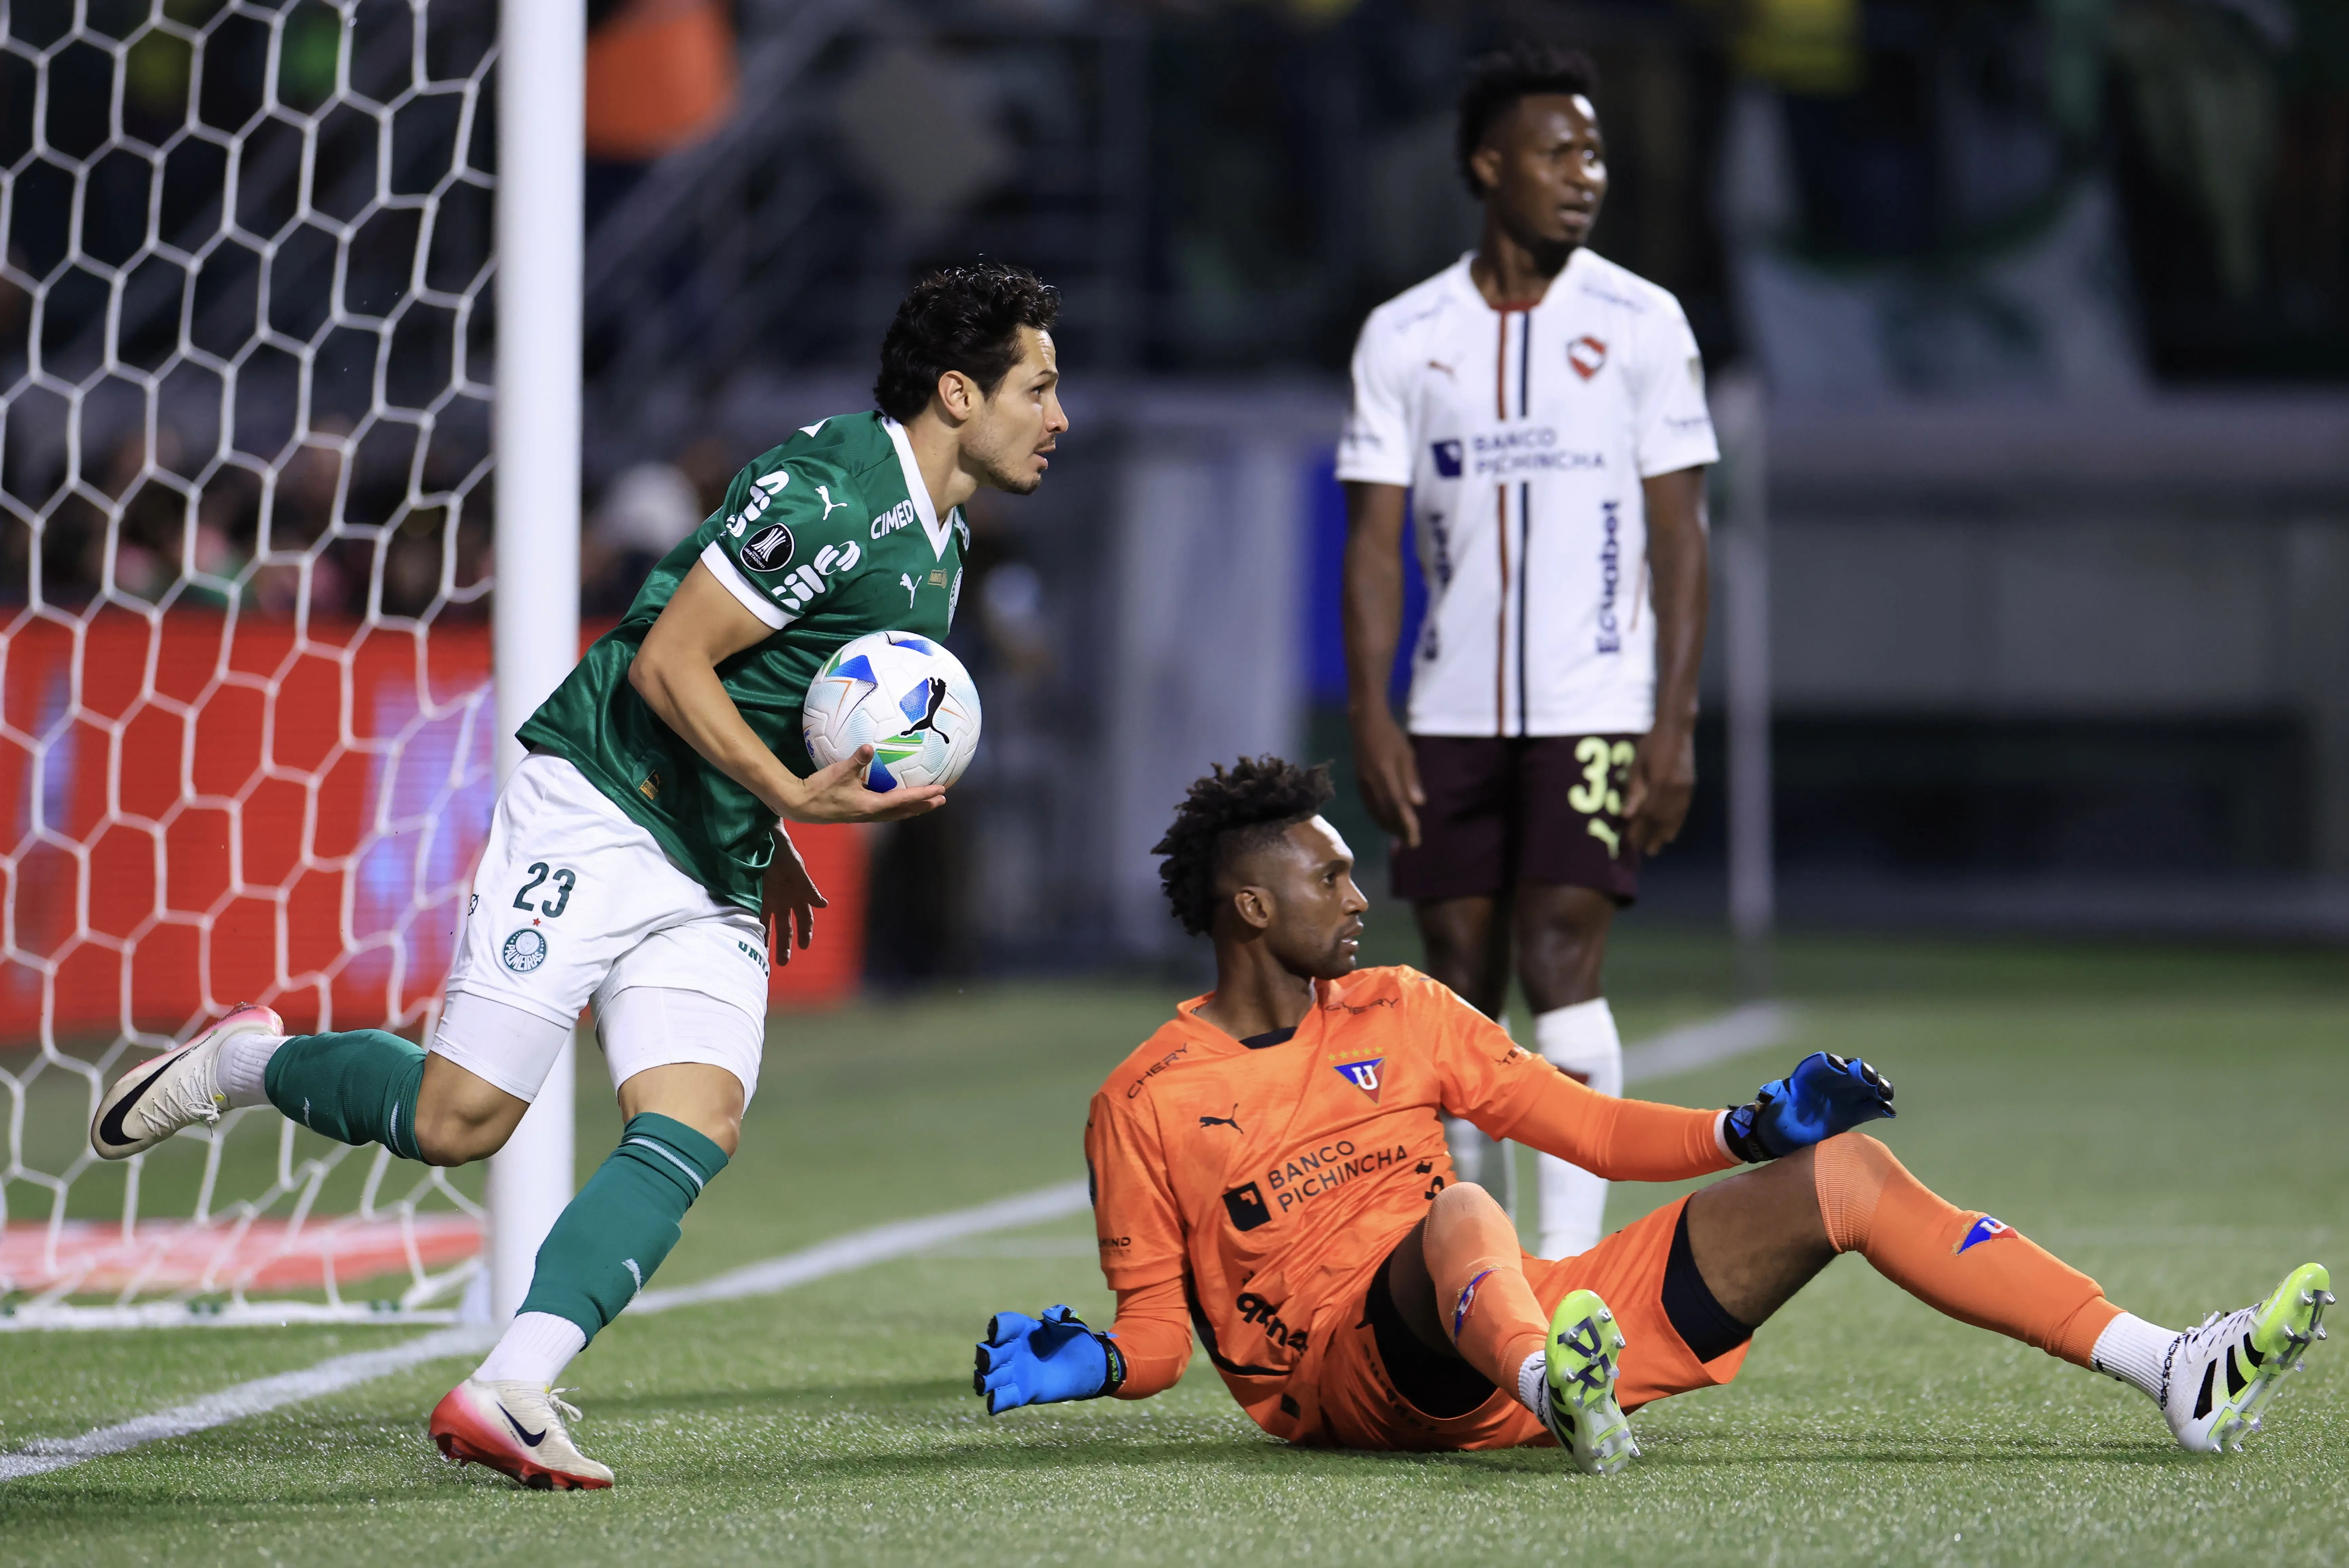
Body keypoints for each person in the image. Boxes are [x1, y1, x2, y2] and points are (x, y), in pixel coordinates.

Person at [89, 262, 1071, 1491]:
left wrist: (761, 840)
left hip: (712, 854)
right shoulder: (826, 494)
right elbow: (669, 664)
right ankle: (243, 1061)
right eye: (1038, 386)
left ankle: (513, 1385)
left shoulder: (944, 548)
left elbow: (785, 698)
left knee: (694, 1118)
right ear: (956, 392)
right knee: (458, 1123)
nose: (1058, 415)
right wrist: (782, 798)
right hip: (602, 807)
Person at [973, 756, 2331, 1469]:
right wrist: (1080, 1365)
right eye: (1325, 877)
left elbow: (1589, 1128)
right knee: (1462, 1206)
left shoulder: (1403, 1004)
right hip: (1358, 1375)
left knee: (1846, 1176)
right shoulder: (1144, 1099)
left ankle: (2173, 1370)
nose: (1357, 894)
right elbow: (1161, 1347)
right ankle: (1554, 1383)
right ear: (1247, 906)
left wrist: (1754, 1131)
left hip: (1503, 1320)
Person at [1337, 43, 1718, 1258]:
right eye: (1559, 151)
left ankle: (1564, 1282)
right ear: (1487, 166)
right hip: (1447, 710)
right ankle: (1478, 1272)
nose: (1585, 173)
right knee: (1455, 982)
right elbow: (1374, 547)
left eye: (1595, 152)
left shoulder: (1642, 321)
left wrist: (1673, 724)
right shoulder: (1404, 335)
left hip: (1595, 701)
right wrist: (1374, 715)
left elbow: (1680, 539)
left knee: (1561, 948)